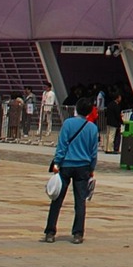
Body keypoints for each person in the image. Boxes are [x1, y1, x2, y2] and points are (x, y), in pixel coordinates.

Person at [44, 98, 100, 244]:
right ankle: (78, 233)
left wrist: (57, 162)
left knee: (57, 199)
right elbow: (94, 152)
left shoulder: (68, 123)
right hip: (83, 166)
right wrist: (92, 168)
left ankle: (50, 232)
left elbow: (62, 145)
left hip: (66, 165)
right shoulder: (92, 128)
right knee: (80, 201)